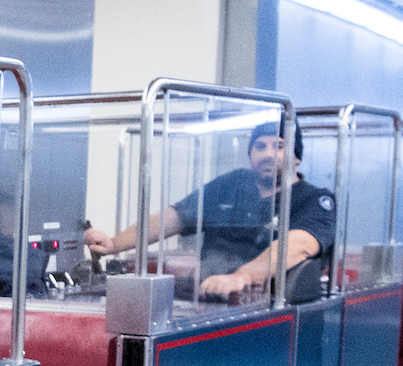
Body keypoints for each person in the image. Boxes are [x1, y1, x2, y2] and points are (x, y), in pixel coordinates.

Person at [85, 117, 336, 303]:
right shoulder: (232, 184)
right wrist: (114, 243)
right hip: (204, 294)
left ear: (297, 157)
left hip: (264, 306)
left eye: (279, 146)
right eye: (260, 147)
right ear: (250, 153)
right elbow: (173, 218)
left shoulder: (316, 200)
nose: (268, 154)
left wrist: (241, 278)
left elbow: (297, 244)